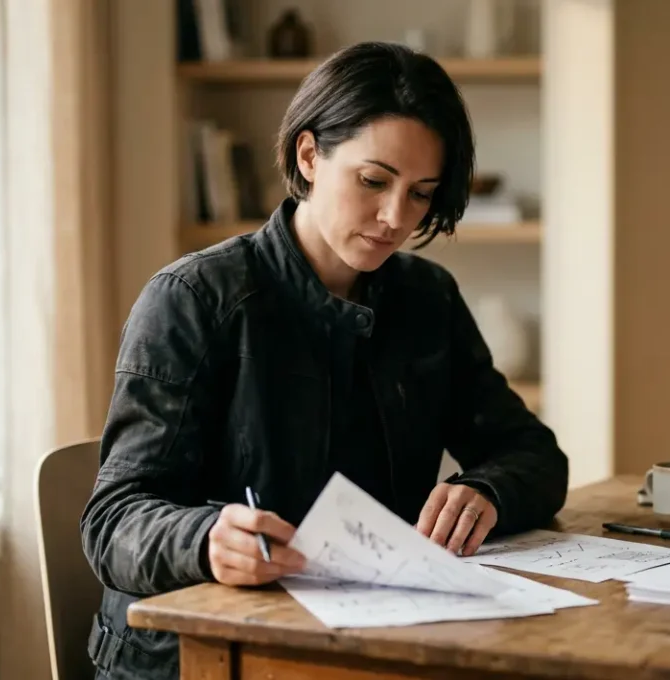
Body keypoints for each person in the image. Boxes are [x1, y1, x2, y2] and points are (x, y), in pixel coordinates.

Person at [78, 41, 569, 679]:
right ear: (309, 156)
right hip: (201, 656)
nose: (396, 217)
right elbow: (114, 519)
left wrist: (486, 490)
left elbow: (534, 455)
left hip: (367, 645)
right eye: (373, 181)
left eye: (421, 194)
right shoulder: (195, 299)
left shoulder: (426, 298)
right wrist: (205, 539)